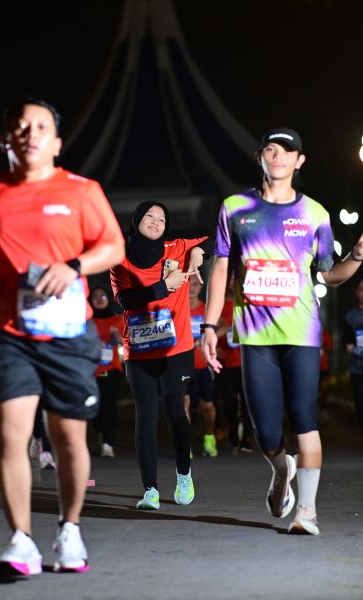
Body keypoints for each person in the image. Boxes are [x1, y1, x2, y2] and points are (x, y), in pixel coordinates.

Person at [0, 97, 125, 577]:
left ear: (56, 142)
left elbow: (113, 247)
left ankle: (69, 529)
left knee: (68, 437)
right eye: (20, 126)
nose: (29, 133)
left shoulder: (82, 191)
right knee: (11, 435)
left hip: (67, 332)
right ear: (5, 140)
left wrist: (74, 265)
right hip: (7, 332)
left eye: (40, 126)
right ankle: (21, 540)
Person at [201, 126, 363, 535]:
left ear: (299, 161)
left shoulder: (315, 214)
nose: (278, 157)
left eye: (287, 151)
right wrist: (208, 325)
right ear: (260, 157)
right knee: (266, 431)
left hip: (301, 334)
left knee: (304, 417)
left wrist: (357, 257)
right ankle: (280, 469)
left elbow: (330, 275)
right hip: (255, 336)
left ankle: (307, 511)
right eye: (271, 150)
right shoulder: (235, 208)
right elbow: (221, 269)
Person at [110, 201, 213, 509]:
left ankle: (184, 474)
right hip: (139, 351)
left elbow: (217, 238)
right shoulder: (120, 259)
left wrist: (199, 252)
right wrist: (163, 287)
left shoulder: (176, 248)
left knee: (175, 412)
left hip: (176, 348)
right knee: (146, 416)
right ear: (136, 220)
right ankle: (150, 490)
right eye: (149, 216)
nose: (156, 222)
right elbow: (125, 301)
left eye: (162, 219)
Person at [215, 279, 253, 452]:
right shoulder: (217, 304)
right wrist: (215, 346)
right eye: (228, 280)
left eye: (234, 280)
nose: (231, 283)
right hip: (226, 362)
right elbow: (205, 328)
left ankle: (247, 437)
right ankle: (232, 426)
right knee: (229, 399)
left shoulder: (248, 303)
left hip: (247, 361)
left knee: (248, 401)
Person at [184, 274, 220, 457]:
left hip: (203, 365)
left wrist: (208, 337)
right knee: (184, 404)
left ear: (201, 287)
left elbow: (224, 325)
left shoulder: (206, 309)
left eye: (196, 284)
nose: (192, 288)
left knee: (207, 406)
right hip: (183, 366)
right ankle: (185, 445)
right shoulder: (179, 308)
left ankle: (209, 437)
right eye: (189, 284)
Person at [90, 285, 124, 457]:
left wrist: (119, 339)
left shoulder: (118, 320)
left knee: (109, 405)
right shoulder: (87, 322)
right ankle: (99, 429)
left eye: (102, 295)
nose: (99, 299)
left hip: (111, 369)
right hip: (90, 371)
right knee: (94, 407)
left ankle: (108, 443)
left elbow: (127, 340)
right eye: (95, 296)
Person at [344, 278, 363, 428]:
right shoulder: (350, 316)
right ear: (357, 293)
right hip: (358, 369)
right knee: (360, 403)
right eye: (362, 289)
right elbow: (347, 345)